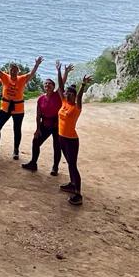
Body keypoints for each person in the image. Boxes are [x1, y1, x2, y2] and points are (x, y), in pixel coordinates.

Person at [0, 53, 43, 159]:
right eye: (12, 69)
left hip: (18, 109)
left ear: (18, 71)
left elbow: (31, 74)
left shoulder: (22, 79)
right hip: (5, 108)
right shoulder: (5, 77)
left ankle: (16, 150)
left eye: (15, 70)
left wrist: (37, 65)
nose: (13, 71)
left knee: (17, 129)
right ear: (9, 70)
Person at [57, 62, 92, 206]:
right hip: (61, 137)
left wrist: (83, 85)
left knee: (73, 164)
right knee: (69, 163)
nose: (69, 95)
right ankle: (72, 184)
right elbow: (60, 87)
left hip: (71, 139)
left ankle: (78, 193)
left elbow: (79, 98)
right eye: (68, 93)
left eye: (71, 94)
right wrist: (59, 71)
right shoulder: (64, 102)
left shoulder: (76, 107)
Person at [21, 77, 60, 173]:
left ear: (54, 86)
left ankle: (55, 167)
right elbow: (38, 115)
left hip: (57, 125)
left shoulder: (57, 95)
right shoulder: (41, 99)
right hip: (45, 124)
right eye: (45, 84)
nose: (47, 85)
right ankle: (33, 163)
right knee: (36, 141)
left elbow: (62, 82)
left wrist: (63, 72)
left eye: (49, 83)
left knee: (57, 146)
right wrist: (38, 129)